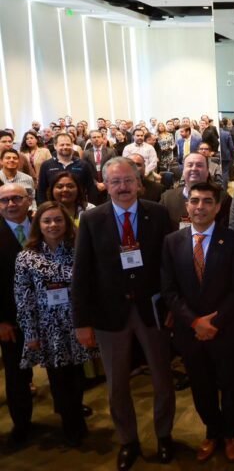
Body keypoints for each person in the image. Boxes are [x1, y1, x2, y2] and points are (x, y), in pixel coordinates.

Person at [71, 157, 176, 471]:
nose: (123, 187)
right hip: (109, 315)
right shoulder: (91, 220)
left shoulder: (158, 213)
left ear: (139, 183)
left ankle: (164, 435)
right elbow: (82, 273)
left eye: (128, 180)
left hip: (152, 312)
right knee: (117, 385)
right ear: (105, 185)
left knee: (163, 379)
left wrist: (172, 306)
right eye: (115, 181)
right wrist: (82, 322)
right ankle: (128, 441)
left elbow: (170, 264)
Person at [161, 182, 234, 463]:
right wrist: (194, 322)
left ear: (218, 207)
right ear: (187, 205)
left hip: (225, 328)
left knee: (229, 384)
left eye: (207, 201)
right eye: (195, 201)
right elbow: (169, 290)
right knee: (201, 385)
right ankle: (212, 431)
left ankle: (232, 433)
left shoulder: (232, 240)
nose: (200, 207)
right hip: (190, 332)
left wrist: (214, 322)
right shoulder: (172, 242)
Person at [14, 201, 96, 447]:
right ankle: (71, 425)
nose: (53, 225)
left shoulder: (79, 250)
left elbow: (91, 288)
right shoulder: (26, 257)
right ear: (38, 224)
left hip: (76, 324)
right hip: (47, 327)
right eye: (47, 220)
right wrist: (30, 332)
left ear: (66, 223)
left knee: (78, 377)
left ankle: (74, 414)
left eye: (58, 220)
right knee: (58, 379)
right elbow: (23, 299)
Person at [0, 184, 34, 448]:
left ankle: (69, 413)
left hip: (50, 313)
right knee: (16, 374)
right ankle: (22, 425)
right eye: (4, 200)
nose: (11, 204)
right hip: (11, 318)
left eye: (16, 198)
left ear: (28, 200)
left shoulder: (46, 224)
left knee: (61, 369)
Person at [161, 152, 231, 230]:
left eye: (199, 165)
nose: (194, 168)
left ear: (207, 171)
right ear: (183, 171)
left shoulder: (222, 198)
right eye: (190, 165)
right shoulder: (167, 198)